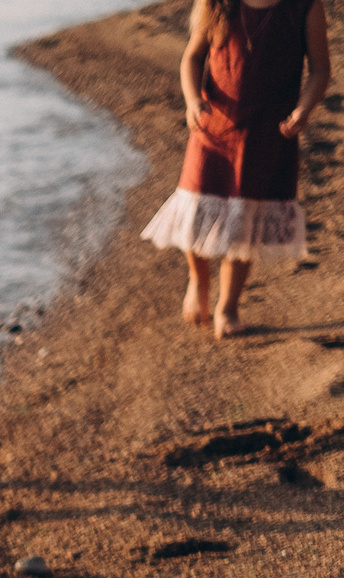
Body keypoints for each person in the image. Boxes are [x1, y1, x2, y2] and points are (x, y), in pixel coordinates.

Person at [141, 0, 332, 339]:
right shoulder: (217, 3)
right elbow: (192, 57)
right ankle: (199, 280)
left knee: (246, 224)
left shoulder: (303, 7)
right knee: (197, 206)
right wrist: (192, 100)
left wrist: (303, 110)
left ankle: (228, 306)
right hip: (214, 127)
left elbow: (319, 68)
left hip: (268, 134)